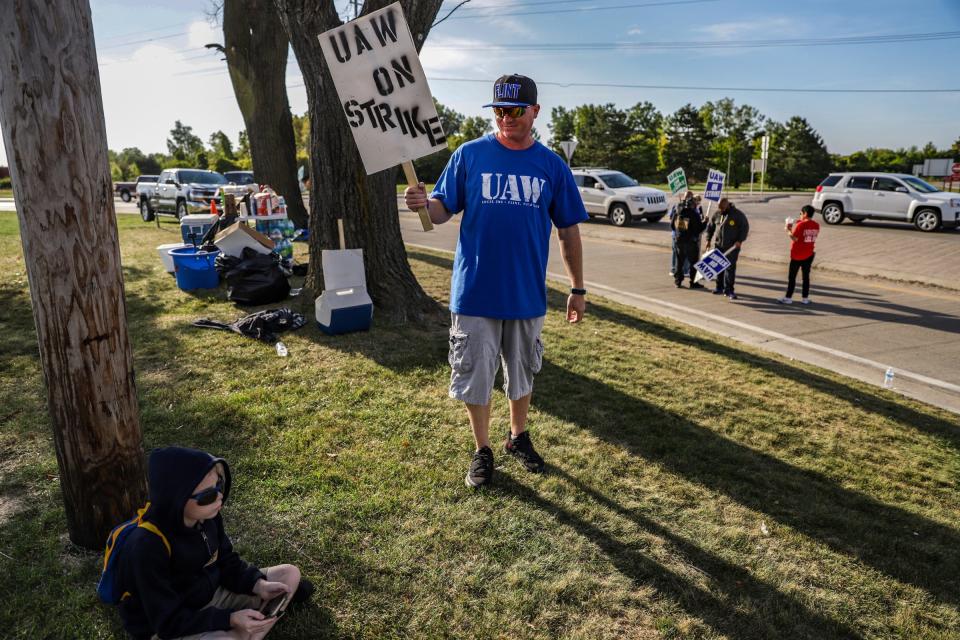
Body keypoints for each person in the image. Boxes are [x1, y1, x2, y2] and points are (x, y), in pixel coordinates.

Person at [403, 74, 587, 489]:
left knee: (522, 374)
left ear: (535, 112)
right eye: (499, 110)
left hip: (525, 296)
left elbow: (569, 232)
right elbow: (439, 211)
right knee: (475, 373)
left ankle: (518, 437)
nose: (506, 118)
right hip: (475, 293)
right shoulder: (470, 156)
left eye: (515, 110)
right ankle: (482, 449)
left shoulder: (552, 166)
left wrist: (577, 288)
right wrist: (421, 203)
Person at [116, 447, 312, 640]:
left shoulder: (207, 516)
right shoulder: (147, 546)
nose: (218, 497)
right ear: (176, 499)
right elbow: (168, 622)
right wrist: (229, 619)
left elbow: (226, 561)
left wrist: (257, 584)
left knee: (289, 574)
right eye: (208, 495)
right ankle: (243, 630)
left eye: (219, 485)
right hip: (169, 623)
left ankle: (247, 629)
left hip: (211, 595)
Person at [705, 197, 749, 300]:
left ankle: (729, 290)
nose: (721, 210)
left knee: (730, 269)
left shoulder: (738, 215)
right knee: (718, 267)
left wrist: (740, 240)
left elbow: (745, 228)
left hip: (732, 247)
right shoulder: (717, 214)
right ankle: (719, 287)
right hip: (719, 245)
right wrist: (708, 240)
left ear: (727, 205)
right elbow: (710, 227)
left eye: (723, 208)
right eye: (720, 208)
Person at [778, 204, 820, 305]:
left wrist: (788, 230)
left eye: (800, 213)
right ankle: (805, 298)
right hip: (809, 254)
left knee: (792, 277)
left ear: (805, 214)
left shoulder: (801, 225)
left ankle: (788, 298)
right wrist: (798, 221)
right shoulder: (816, 225)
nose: (799, 215)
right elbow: (807, 229)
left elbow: (795, 238)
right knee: (806, 277)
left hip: (797, 255)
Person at [671, 193, 705, 288]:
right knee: (693, 263)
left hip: (679, 241)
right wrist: (705, 222)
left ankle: (678, 281)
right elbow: (699, 229)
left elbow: (672, 226)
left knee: (679, 262)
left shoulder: (677, 212)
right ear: (692, 205)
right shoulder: (693, 214)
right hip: (690, 242)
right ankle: (693, 282)